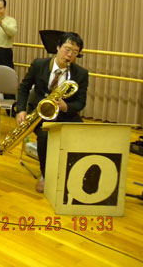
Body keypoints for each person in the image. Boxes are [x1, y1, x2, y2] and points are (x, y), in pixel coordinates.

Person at [16, 32, 89, 193]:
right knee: (45, 136)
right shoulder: (39, 64)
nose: (69, 55)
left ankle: (75, 173)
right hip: (40, 114)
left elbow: (80, 102)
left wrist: (65, 106)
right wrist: (21, 110)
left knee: (83, 134)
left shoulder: (81, 73)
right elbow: (24, 88)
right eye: (67, 49)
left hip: (65, 114)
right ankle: (45, 174)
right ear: (57, 47)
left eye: (75, 52)